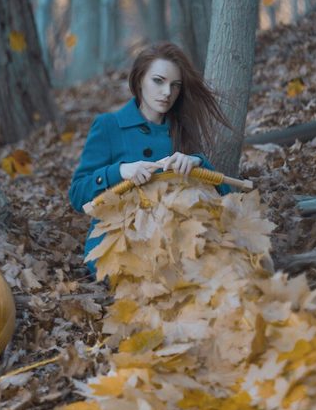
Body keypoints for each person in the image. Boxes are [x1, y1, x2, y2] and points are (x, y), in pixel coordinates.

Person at [69, 42, 231, 272]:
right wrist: (121, 171)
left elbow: (227, 198)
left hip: (175, 238)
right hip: (119, 244)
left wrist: (197, 162)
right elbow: (77, 195)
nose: (167, 93)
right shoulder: (109, 126)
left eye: (175, 85)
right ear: (139, 80)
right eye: (158, 81)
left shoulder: (181, 128)